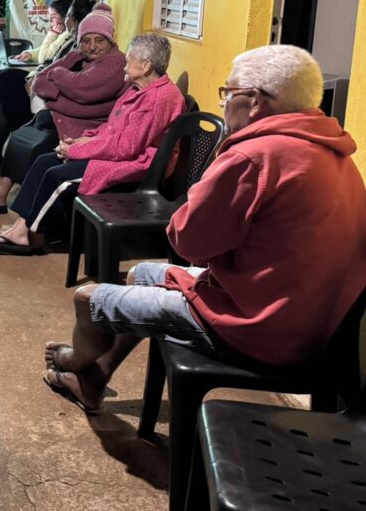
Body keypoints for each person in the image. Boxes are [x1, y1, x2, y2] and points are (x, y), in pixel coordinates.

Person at [42, 44, 366, 414]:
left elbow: (187, 242)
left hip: (259, 329)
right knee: (140, 274)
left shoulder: (252, 156)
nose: (224, 103)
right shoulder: (334, 152)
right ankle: (95, 380)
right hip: (310, 322)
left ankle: (75, 360)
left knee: (88, 298)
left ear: (254, 101)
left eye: (228, 92)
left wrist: (208, 181)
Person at [0, 33, 184, 254]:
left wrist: (76, 150)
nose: (125, 65)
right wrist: (84, 139)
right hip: (119, 153)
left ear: (145, 66)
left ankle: (29, 234)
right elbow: (112, 127)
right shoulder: (138, 90)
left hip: (136, 164)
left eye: (129, 60)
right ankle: (21, 229)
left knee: (57, 176)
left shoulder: (156, 99)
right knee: (44, 161)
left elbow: (125, 148)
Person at [0, 2, 128, 215]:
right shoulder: (77, 55)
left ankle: (29, 214)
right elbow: (41, 81)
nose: (92, 47)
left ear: (110, 40)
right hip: (58, 117)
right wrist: (60, 88)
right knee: (20, 136)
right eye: (86, 41)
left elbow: (83, 90)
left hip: (84, 127)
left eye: (99, 40)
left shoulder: (115, 62)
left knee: (36, 143)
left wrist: (56, 85)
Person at [0, 0, 92, 171]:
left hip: (44, 99)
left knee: (7, 76)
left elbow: (47, 58)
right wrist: (29, 55)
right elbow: (48, 58)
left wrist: (52, 35)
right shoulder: (69, 38)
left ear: (71, 18)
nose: (54, 21)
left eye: (57, 17)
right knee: (3, 97)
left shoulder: (72, 41)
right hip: (39, 88)